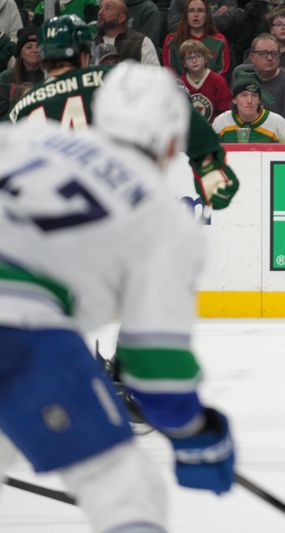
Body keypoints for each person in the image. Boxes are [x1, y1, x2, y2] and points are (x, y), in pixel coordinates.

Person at [0, 61, 236, 533]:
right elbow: (155, 365)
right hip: (22, 332)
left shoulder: (21, 137)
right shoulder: (165, 219)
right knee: (124, 488)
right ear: (174, 139)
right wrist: (196, 437)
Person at [10, 15, 239, 211]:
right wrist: (208, 165)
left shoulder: (22, 106)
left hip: (52, 219)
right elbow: (173, 105)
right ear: (85, 53)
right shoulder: (113, 77)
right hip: (115, 204)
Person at [231, 33, 285, 123]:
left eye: (274, 53)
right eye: (263, 53)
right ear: (252, 57)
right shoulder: (241, 73)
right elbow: (233, 109)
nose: (269, 58)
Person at [163, 0, 230, 78]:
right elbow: (169, 73)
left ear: (207, 15)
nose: (196, 15)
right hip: (179, 88)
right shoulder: (172, 41)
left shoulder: (220, 41)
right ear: (186, 15)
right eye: (191, 11)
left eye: (200, 11)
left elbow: (222, 73)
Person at [212, 75, 285, 142]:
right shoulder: (221, 121)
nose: (249, 101)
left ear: (259, 100)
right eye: (244, 95)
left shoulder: (277, 123)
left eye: (254, 95)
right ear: (234, 100)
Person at [179, 39, 231, 121]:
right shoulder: (180, 84)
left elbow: (225, 112)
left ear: (205, 59)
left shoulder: (218, 81)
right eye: (189, 58)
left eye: (198, 56)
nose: (194, 61)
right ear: (184, 63)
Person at [95, 0, 160, 65]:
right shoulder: (93, 42)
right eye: (100, 8)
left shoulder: (141, 42)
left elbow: (153, 73)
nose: (100, 13)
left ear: (121, 18)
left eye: (108, 9)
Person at [0, 26, 42, 117]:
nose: (34, 50)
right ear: (20, 54)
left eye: (38, 46)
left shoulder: (48, 76)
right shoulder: (6, 77)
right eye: (29, 47)